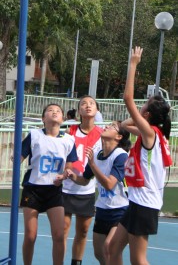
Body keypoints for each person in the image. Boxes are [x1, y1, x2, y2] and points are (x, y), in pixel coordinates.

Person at [108, 47, 172, 265]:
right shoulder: (149, 133)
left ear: (146, 115)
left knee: (138, 260)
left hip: (145, 204)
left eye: (143, 105)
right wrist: (137, 118)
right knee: (112, 249)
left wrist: (133, 63)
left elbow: (127, 98)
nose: (140, 105)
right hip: (136, 201)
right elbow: (124, 125)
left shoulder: (150, 134)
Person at [19, 103, 78, 265]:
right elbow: (20, 157)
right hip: (33, 189)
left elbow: (70, 164)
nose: (54, 112)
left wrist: (65, 173)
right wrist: (15, 158)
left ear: (63, 118)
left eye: (58, 111)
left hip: (54, 190)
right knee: (31, 236)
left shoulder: (68, 140)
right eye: (50, 110)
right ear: (43, 118)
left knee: (59, 235)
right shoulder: (34, 135)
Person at [66, 120, 131, 265]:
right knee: (99, 253)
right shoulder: (97, 154)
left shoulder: (121, 156)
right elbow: (84, 180)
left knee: (110, 247)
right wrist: (71, 175)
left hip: (121, 209)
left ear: (119, 137)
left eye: (113, 126)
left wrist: (93, 165)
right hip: (102, 209)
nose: (107, 126)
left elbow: (109, 184)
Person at [62, 95, 103, 265]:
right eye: (84, 104)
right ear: (79, 110)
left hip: (86, 188)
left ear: (97, 110)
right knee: (63, 230)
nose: (88, 106)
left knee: (83, 231)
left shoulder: (102, 134)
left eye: (91, 103)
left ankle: (76, 262)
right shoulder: (69, 132)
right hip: (66, 188)